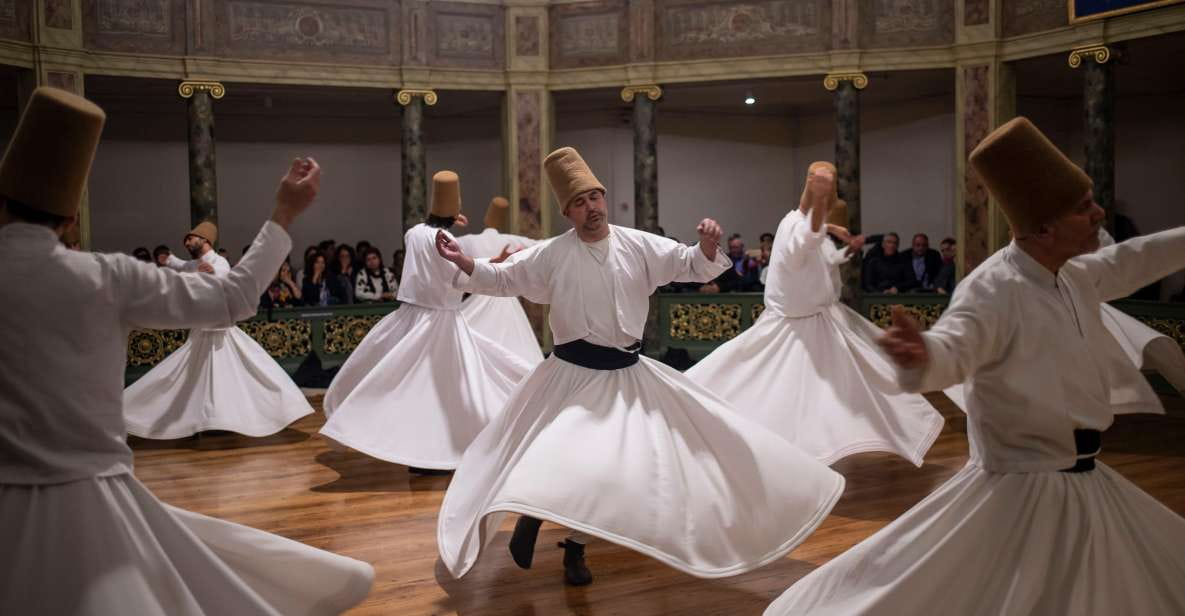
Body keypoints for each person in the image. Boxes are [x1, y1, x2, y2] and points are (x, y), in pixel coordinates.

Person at [766, 117, 1185, 615]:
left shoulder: (1074, 273)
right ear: (1045, 225)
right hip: (1023, 489)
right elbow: (953, 350)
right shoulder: (993, 288)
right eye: (1083, 207)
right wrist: (922, 357)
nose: (1098, 214)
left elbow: (1135, 258)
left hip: (1084, 480)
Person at [0, 88, 372, 614]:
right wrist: (284, 213)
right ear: (69, 219)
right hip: (93, 501)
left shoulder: (109, 275)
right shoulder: (103, 277)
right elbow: (235, 297)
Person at [434, 147, 844, 587]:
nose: (590, 207)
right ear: (567, 212)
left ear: (604, 198)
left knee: (612, 468)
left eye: (595, 197)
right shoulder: (552, 254)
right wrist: (465, 263)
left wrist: (706, 247)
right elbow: (503, 277)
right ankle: (532, 512)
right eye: (579, 202)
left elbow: (686, 262)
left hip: (625, 375)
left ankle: (573, 545)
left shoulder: (637, 243)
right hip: (569, 373)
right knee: (559, 451)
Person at [688, 173, 943, 467]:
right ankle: (789, 448)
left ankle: (821, 443)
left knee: (852, 382)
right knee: (771, 385)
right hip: (796, 326)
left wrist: (848, 244)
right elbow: (804, 240)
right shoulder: (796, 227)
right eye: (826, 196)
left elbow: (828, 256)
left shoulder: (808, 227)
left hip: (820, 321)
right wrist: (821, 202)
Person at [320, 171, 532, 473]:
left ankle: (416, 450)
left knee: (407, 385)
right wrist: (493, 263)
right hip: (440, 322)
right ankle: (438, 451)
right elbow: (458, 276)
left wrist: (444, 219)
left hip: (410, 317)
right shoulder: (443, 241)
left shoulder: (414, 233)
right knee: (446, 390)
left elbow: (425, 236)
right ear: (455, 210)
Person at [123, 216, 314, 439]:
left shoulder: (219, 263)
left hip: (221, 333)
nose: (186, 242)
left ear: (204, 240)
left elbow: (225, 285)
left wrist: (209, 275)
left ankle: (243, 415)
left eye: (190, 238)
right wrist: (168, 260)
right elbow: (180, 266)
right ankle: (204, 418)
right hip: (202, 333)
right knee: (190, 378)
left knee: (245, 372)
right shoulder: (193, 265)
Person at [455, 196, 544, 365]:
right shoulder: (510, 241)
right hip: (505, 298)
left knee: (477, 347)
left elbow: (442, 246)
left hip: (481, 298)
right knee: (514, 344)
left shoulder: (469, 240)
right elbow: (540, 245)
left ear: (486, 218)